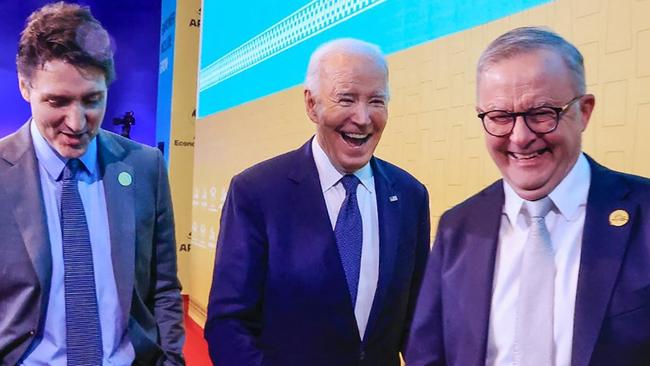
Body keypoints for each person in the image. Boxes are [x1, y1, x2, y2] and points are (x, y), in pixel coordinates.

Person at [405, 26, 650, 366]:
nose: (519, 138)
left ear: (585, 111)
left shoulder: (644, 214)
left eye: (541, 114)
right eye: (500, 117)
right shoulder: (457, 227)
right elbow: (426, 356)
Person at [204, 38, 430, 365]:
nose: (363, 118)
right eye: (346, 99)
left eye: (376, 101)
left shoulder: (410, 196)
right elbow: (229, 324)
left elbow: (417, 321)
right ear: (312, 104)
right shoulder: (256, 192)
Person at [0, 2, 185, 365]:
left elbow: (163, 289)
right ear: (25, 87)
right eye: (58, 101)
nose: (77, 121)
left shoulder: (145, 167)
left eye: (92, 100)